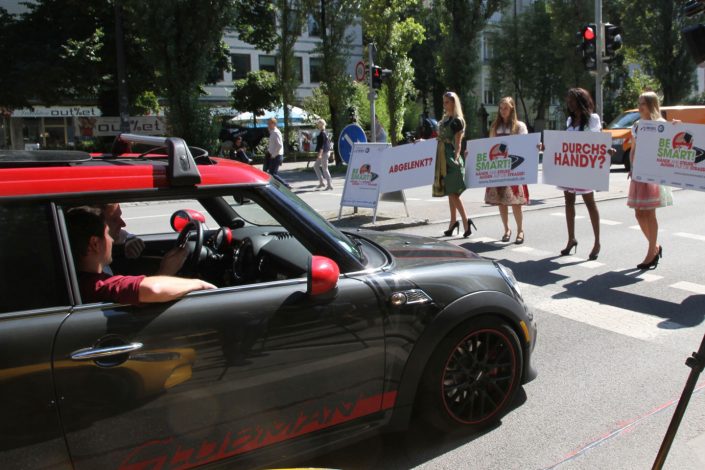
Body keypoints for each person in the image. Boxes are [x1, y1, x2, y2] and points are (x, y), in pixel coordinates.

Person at [66, 206, 214, 305]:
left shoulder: (78, 280)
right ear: (95, 244)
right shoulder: (96, 286)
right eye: (107, 235)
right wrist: (200, 284)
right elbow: (153, 290)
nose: (112, 240)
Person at [628, 91, 673, 269]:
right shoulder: (638, 125)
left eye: (643, 104)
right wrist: (632, 167)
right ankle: (655, 246)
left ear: (651, 105)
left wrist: (676, 126)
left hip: (652, 174)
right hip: (638, 173)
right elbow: (633, 148)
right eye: (639, 103)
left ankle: (650, 253)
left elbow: (670, 143)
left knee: (649, 213)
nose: (640, 107)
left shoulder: (660, 124)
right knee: (639, 213)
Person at [559, 88, 603, 260]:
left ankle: (597, 242)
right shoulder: (570, 120)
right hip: (570, 167)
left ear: (580, 101)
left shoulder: (593, 119)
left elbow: (597, 140)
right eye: (568, 100)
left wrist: (605, 150)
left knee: (589, 202)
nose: (569, 103)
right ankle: (571, 239)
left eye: (572, 100)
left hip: (584, 168)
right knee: (568, 201)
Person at [484, 97, 529, 245]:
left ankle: (520, 230)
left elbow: (525, 146)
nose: (503, 111)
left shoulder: (519, 126)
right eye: (501, 108)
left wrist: (535, 146)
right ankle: (506, 229)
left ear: (512, 109)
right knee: (501, 202)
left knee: (516, 202)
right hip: (499, 168)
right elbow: (489, 147)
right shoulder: (495, 126)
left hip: (514, 169)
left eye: (506, 108)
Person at [433, 91, 475, 238]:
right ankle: (452, 222)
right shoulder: (445, 119)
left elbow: (458, 143)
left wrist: (456, 158)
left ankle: (465, 221)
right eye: (443, 102)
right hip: (442, 156)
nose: (444, 105)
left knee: (453, 193)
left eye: (447, 102)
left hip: (450, 157)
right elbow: (438, 138)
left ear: (453, 103)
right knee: (450, 193)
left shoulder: (457, 120)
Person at [313, 119, 333, 190]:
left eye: (318, 124)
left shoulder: (322, 134)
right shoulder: (324, 132)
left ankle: (329, 184)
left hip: (323, 153)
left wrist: (320, 154)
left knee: (325, 169)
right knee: (316, 166)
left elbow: (322, 146)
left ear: (320, 125)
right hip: (326, 152)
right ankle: (321, 182)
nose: (317, 125)